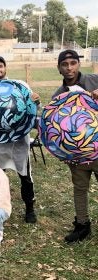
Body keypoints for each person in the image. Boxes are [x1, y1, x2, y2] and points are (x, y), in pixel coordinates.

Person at [0, 56, 40, 223]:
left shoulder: (19, 86)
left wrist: (35, 101)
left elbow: (32, 106)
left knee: (25, 175)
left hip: (18, 141)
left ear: (5, 68)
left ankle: (30, 209)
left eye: (0, 66)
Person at [53, 49, 98, 243]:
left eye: (73, 63)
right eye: (65, 64)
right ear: (59, 68)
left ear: (79, 64)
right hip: (76, 154)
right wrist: (62, 152)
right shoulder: (58, 96)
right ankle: (82, 225)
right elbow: (52, 128)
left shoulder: (94, 81)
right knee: (80, 189)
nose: (69, 67)